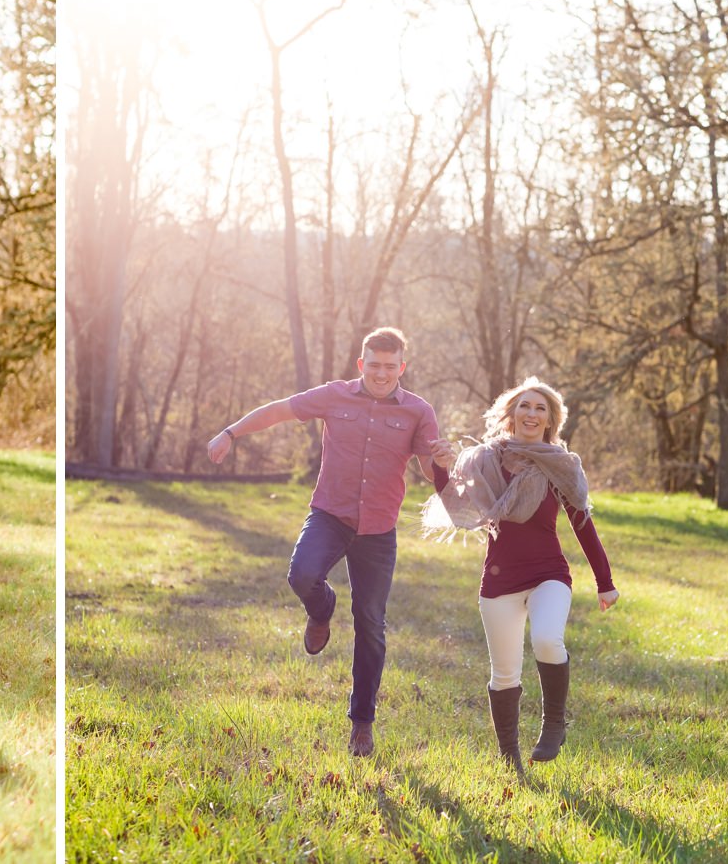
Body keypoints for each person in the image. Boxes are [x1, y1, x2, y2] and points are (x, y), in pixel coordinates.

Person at [207, 326, 442, 757]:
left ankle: (362, 724)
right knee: (302, 575)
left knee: (371, 625)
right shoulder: (336, 395)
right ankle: (322, 610)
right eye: (374, 365)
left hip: (377, 530)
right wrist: (230, 433)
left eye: (391, 366)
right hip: (330, 515)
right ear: (361, 364)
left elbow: (430, 469)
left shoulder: (418, 411)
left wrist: (443, 462)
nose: (382, 373)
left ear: (402, 367)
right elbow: (280, 409)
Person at [424, 376, 619, 775]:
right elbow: (458, 509)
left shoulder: (559, 465)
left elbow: (582, 523)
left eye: (540, 408)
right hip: (499, 580)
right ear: (511, 415)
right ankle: (509, 755)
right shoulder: (485, 460)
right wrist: (441, 470)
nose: (532, 414)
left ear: (551, 420)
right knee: (505, 672)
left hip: (549, 573)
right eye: (525, 406)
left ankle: (554, 724)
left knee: (548, 639)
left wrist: (605, 581)